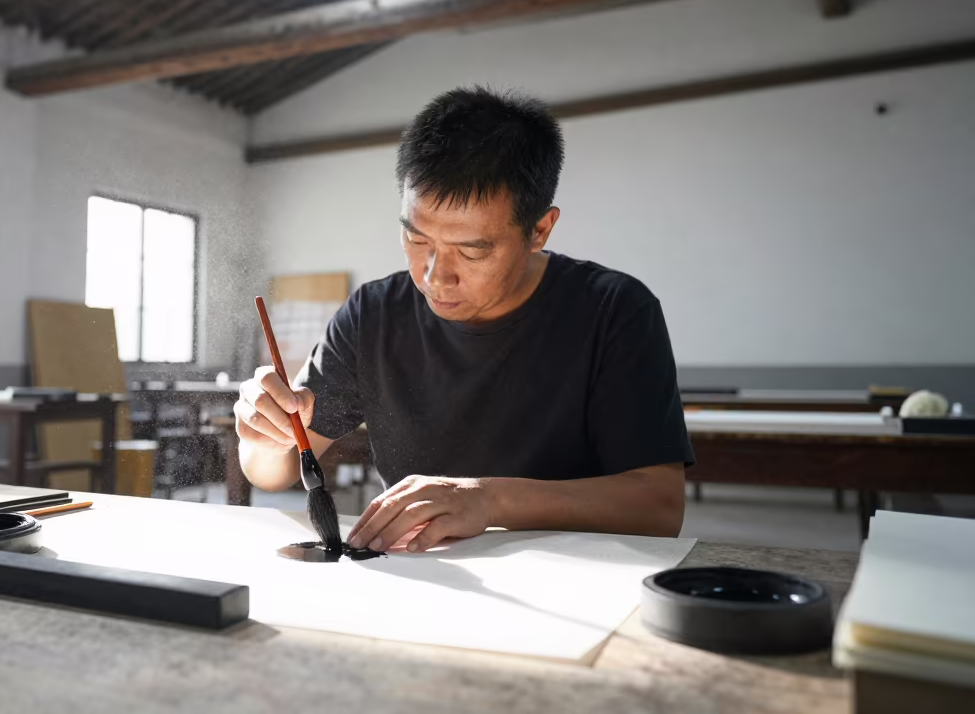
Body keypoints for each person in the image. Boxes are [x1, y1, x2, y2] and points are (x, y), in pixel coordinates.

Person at [235, 86, 692, 554]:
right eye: (417, 240)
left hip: (575, 577)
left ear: (539, 229)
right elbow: (276, 471)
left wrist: (490, 500)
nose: (435, 276)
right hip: (424, 575)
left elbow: (658, 508)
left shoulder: (614, 311)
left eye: (472, 250)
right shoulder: (373, 315)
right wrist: (265, 437)